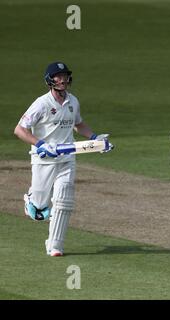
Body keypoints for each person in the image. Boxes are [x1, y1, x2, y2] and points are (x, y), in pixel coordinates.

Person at [13, 61, 113, 257]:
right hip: (43, 159)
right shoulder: (41, 104)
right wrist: (41, 144)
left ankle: (55, 245)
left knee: (63, 200)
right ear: (50, 80)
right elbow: (19, 130)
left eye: (65, 76)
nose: (63, 79)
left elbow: (79, 124)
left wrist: (95, 138)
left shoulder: (73, 101)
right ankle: (33, 200)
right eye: (58, 76)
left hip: (67, 158)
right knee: (40, 209)